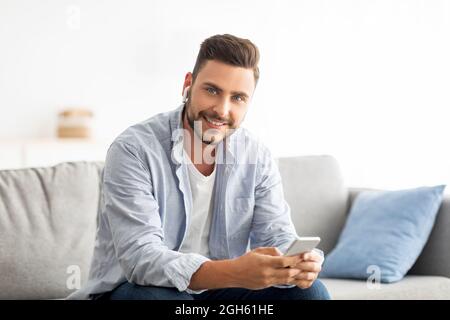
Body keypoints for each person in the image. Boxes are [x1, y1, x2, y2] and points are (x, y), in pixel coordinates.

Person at [68, 34, 330, 300]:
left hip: (217, 293)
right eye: (212, 90)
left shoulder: (256, 156)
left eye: (238, 98)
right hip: (138, 289)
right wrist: (236, 272)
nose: (221, 110)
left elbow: (278, 235)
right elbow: (141, 259)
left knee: (311, 294)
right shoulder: (133, 150)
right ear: (188, 85)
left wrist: (300, 263)